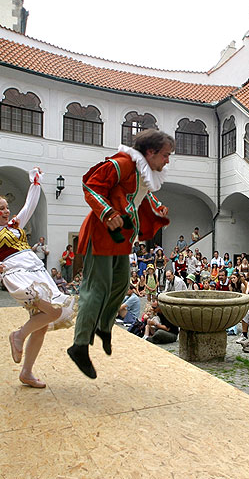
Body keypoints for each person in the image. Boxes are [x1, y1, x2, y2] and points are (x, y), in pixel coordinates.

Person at [68, 130, 172, 379]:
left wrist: (157, 207)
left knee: (122, 284)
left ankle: (104, 327)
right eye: (166, 155)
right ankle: (79, 345)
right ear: (150, 152)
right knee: (96, 289)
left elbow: (138, 198)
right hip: (103, 233)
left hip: (121, 238)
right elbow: (91, 186)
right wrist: (107, 213)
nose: (168, 160)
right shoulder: (122, 163)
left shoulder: (141, 172)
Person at [0, 167, 75, 388]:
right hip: (17, 273)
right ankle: (18, 336)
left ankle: (27, 372)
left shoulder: (15, 225)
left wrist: (35, 184)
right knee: (55, 311)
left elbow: (29, 206)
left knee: (41, 324)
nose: (7, 211)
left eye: (7, 208)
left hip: (36, 270)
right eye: (1, 208)